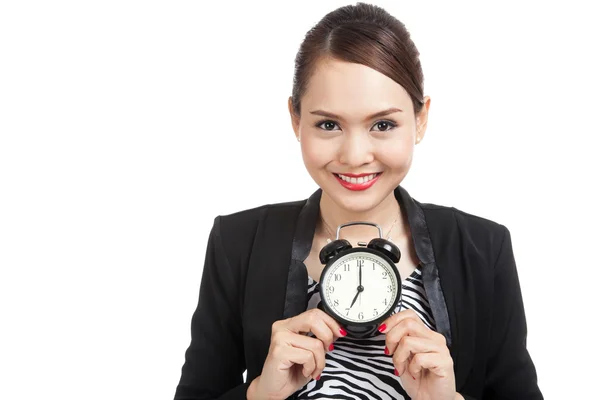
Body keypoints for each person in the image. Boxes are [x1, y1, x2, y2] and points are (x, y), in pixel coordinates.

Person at [173, 3, 543, 399]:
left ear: (420, 120)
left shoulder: (483, 248)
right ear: (296, 119)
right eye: (328, 124)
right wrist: (260, 393)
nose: (354, 155)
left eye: (383, 124)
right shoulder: (238, 242)